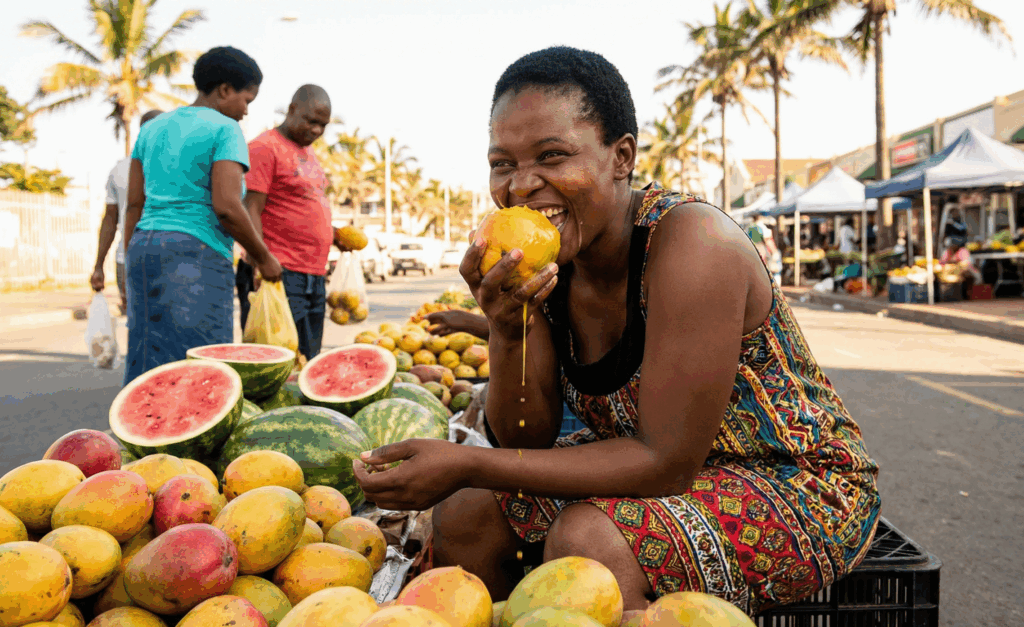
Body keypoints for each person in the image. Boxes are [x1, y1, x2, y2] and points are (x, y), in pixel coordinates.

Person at [352, 46, 880, 616]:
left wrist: (467, 460)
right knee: (469, 510)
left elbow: (664, 462)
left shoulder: (692, 243)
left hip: (799, 484)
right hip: (672, 469)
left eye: (552, 156)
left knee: (588, 540)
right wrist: (509, 329)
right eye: (503, 163)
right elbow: (526, 438)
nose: (521, 185)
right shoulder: (550, 262)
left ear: (622, 156)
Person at [122, 46, 283, 385]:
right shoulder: (225, 130)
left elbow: (134, 203)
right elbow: (226, 206)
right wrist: (263, 257)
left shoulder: (153, 127)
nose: (245, 112)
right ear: (225, 90)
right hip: (195, 254)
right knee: (199, 371)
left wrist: (131, 254)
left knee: (147, 361)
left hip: (144, 247)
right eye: (246, 101)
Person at [235, 84, 339, 361]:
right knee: (278, 363)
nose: (316, 130)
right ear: (292, 109)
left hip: (312, 275)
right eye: (311, 121)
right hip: (279, 272)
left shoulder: (307, 153)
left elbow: (301, 205)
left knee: (307, 359)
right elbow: (250, 209)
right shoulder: (265, 147)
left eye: (323, 125)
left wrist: (332, 233)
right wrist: (261, 260)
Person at [90, 109, 164, 313]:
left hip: (130, 257)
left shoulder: (120, 169)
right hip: (161, 257)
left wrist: (99, 265)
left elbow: (109, 220)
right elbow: (111, 220)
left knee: (139, 323)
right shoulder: (176, 167)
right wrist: (98, 265)